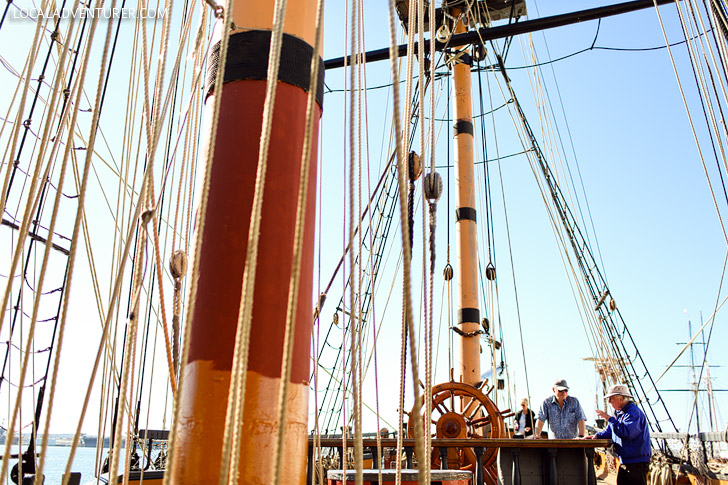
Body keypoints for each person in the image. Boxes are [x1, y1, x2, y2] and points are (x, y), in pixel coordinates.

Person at [585, 384, 651, 485]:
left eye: (611, 399)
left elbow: (627, 433)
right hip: (626, 460)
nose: (609, 402)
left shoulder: (633, 413)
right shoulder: (619, 413)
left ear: (620, 398)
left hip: (636, 461)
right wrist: (597, 436)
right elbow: (610, 431)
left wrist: (609, 419)